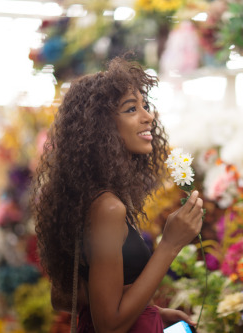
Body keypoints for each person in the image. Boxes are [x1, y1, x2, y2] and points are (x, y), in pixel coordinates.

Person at [31, 56, 204, 333]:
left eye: (145, 106)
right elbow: (109, 326)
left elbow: (63, 295)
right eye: (131, 109)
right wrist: (171, 243)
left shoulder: (91, 196)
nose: (148, 116)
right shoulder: (108, 208)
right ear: (102, 127)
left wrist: (152, 311)